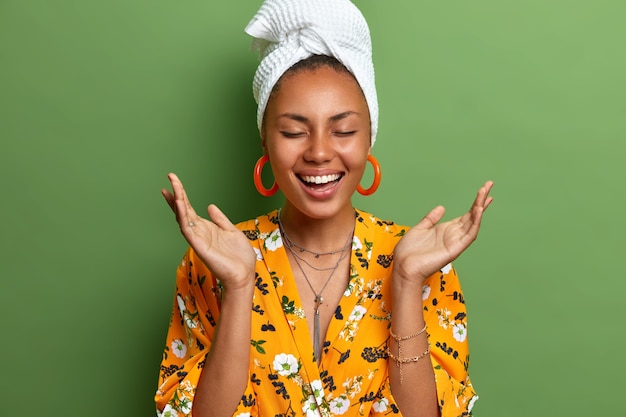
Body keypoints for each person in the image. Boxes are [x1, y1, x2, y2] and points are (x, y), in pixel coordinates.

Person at [155, 0, 494, 416]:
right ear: (265, 140)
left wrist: (405, 283)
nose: (318, 152)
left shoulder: (422, 262)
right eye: (295, 131)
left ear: (369, 138)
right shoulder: (212, 261)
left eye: (344, 130)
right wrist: (241, 286)